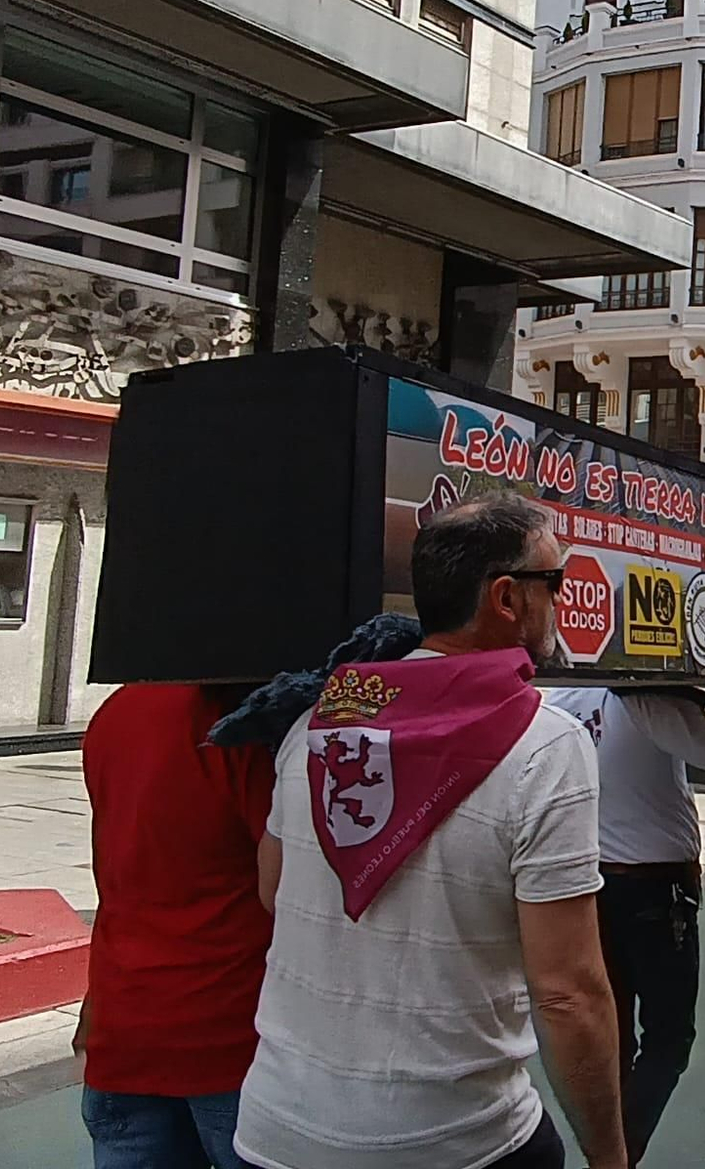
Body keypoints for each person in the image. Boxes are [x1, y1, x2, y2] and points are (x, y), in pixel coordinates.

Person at [237, 495, 627, 1169]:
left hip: (275, 1130)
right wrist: (611, 1156)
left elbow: (274, 892)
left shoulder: (314, 727)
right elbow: (567, 992)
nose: (563, 601)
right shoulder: (545, 746)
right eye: (556, 584)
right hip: (457, 1140)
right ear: (507, 598)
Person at [543, 685, 705, 1163]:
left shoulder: (559, 699)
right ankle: (619, 1154)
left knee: (611, 1029)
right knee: (668, 1036)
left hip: (591, 883)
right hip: (653, 887)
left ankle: (608, 1144)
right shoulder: (644, 699)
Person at [78, 684, 273, 1169]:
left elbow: (123, 864)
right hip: (232, 1042)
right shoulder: (246, 726)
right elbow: (292, 889)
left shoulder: (116, 711)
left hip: (123, 1029)